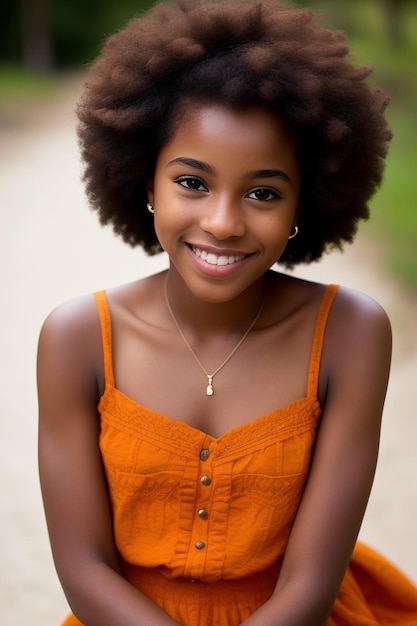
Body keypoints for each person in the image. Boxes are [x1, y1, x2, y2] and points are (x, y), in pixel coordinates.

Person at [37, 1, 417, 624]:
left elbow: (309, 582)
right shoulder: (77, 339)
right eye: (192, 182)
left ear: (306, 202)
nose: (222, 222)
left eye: (263, 193)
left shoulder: (351, 333)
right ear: (145, 183)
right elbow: (84, 568)